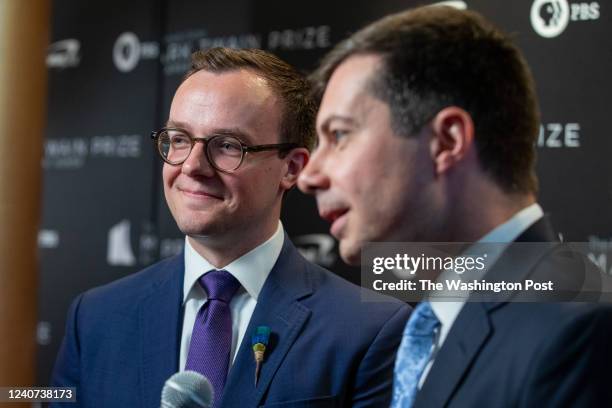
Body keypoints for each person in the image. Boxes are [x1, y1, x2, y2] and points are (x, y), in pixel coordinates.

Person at [51, 48, 410, 407]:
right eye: (178, 139)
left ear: (292, 168)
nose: (192, 166)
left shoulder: (369, 330)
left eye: (227, 146)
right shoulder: (95, 317)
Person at [298, 5, 612, 407]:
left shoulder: (579, 333)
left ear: (446, 142)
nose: (310, 175)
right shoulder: (434, 321)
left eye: (339, 135)